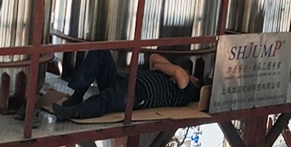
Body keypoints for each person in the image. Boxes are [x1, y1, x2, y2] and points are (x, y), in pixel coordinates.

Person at [54, 50, 202, 121]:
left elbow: (177, 72)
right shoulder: (173, 76)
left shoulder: (185, 93)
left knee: (106, 100)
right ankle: (78, 94)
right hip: (124, 81)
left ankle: (74, 112)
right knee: (100, 53)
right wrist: (168, 71)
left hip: (137, 94)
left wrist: (163, 69)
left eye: (194, 77)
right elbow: (154, 57)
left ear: (195, 84)